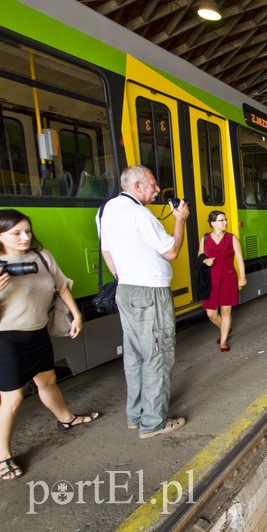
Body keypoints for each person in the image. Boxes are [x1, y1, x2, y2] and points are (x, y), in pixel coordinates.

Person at [0, 209, 99, 480]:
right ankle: (2, 456)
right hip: (6, 338)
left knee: (48, 381)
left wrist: (76, 313)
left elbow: (60, 285)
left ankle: (66, 419)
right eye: (16, 233)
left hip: (37, 333)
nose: (24, 238)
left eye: (27, 231)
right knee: (13, 399)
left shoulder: (42, 257)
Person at [98, 165, 189, 439]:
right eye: (152, 184)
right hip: (150, 293)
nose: (157, 189)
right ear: (137, 186)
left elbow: (106, 251)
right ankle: (154, 423)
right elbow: (172, 251)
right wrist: (180, 219)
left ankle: (135, 416)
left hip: (125, 289)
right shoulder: (140, 214)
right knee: (158, 356)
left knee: (135, 355)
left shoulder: (106, 210)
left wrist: (124, 276)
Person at [198, 211, 246, 352]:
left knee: (226, 311)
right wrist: (206, 260)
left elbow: (239, 258)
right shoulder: (205, 238)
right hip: (211, 278)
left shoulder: (232, 238)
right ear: (212, 223)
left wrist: (242, 277)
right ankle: (225, 328)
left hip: (228, 277)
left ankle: (223, 341)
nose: (225, 223)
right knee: (211, 313)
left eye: (225, 220)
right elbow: (200, 255)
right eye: (221, 220)